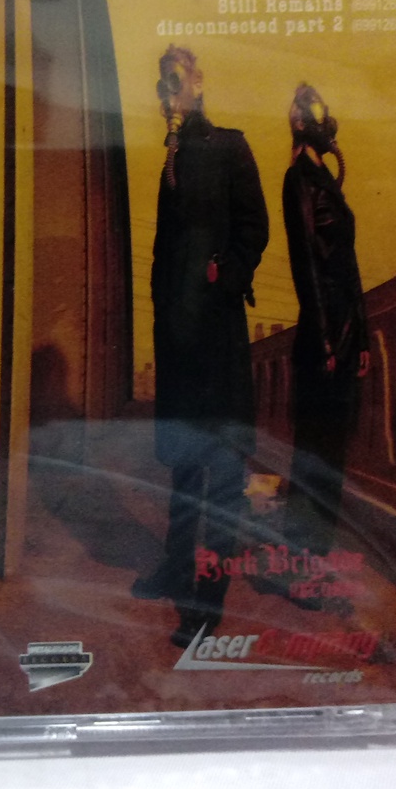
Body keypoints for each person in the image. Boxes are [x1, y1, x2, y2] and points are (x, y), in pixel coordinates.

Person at [131, 45, 269, 648]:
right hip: (178, 337)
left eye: (176, 79)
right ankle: (175, 566)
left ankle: (208, 601)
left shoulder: (229, 146)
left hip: (216, 334)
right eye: (162, 83)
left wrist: (225, 275)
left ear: (198, 82)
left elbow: (255, 227)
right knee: (184, 464)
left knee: (223, 469)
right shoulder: (174, 153)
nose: (168, 90)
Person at [280, 84, 369, 577]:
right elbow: (306, 265)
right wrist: (326, 338)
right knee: (313, 454)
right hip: (323, 336)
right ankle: (299, 564)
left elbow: (348, 262)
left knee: (332, 456)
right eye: (310, 114)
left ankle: (314, 562)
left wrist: (363, 334)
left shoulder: (326, 180)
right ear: (299, 123)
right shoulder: (298, 180)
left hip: (347, 331)